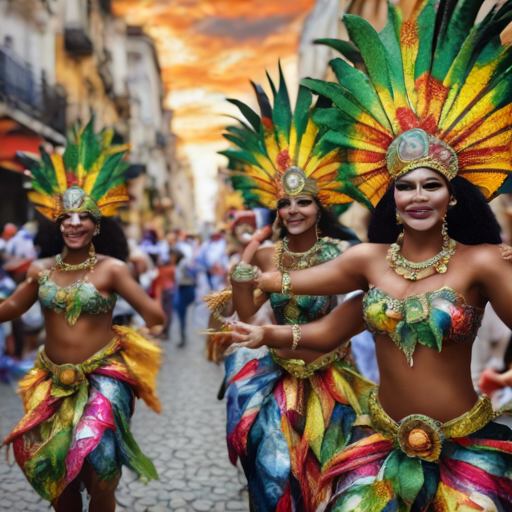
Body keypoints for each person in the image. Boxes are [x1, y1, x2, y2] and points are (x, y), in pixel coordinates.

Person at [228, 2, 512, 509]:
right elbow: (318, 311)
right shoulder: (368, 260)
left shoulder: (483, 262)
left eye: (431, 185)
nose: (418, 195)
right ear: (393, 198)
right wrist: (258, 312)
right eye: (405, 186)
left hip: (465, 448)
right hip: (379, 444)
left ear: (451, 195)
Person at [221, 71, 370, 512]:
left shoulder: (343, 254)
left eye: (303, 201)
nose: (293, 209)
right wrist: (245, 264)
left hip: (330, 381)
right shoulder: (268, 256)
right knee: (271, 481)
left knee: (328, 484)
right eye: (285, 203)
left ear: (319, 206)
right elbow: (247, 318)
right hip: (276, 380)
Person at [0, 120, 166, 512]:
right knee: (56, 474)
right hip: (50, 378)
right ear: (57, 223)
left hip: (104, 378)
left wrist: (138, 337)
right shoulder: (40, 269)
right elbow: (10, 309)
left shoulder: (113, 269)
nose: (75, 223)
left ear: (96, 223)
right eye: (67, 217)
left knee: (102, 472)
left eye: (83, 216)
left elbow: (154, 313)